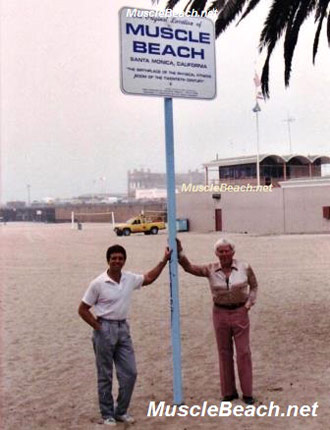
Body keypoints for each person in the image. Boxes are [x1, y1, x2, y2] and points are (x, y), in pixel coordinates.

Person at [78, 244, 171, 426]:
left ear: (124, 260)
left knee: (130, 373)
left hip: (123, 329)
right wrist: (98, 327)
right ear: (108, 260)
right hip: (104, 328)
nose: (117, 261)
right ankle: (107, 413)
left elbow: (149, 278)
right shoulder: (98, 283)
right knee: (105, 375)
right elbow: (82, 309)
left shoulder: (129, 279)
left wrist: (164, 260)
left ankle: (121, 410)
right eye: (114, 258)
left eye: (120, 258)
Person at [176, 237, 258, 405]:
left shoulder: (245, 267)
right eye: (220, 251)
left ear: (233, 252)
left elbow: (254, 286)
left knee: (243, 352)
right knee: (224, 352)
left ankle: (248, 393)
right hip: (220, 312)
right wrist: (179, 251)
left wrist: (248, 304)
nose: (224, 254)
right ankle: (228, 392)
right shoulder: (210, 269)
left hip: (240, 312)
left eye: (227, 250)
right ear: (216, 253)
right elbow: (189, 267)